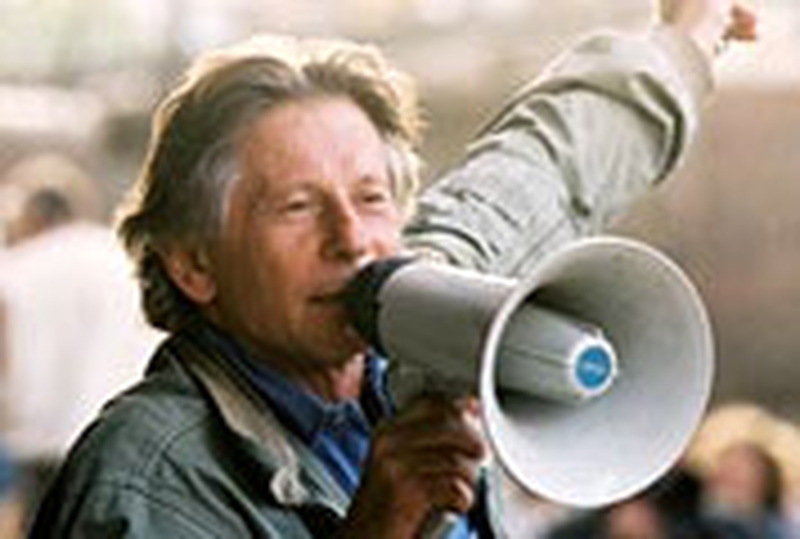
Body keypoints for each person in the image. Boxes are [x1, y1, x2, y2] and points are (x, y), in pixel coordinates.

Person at [29, 0, 756, 537]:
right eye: (296, 207)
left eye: (372, 196)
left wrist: (682, 42)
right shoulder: (144, 483)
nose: (353, 238)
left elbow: (550, 168)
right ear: (193, 263)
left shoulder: (429, 314)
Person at [0, 154, 163, 528]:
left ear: (33, 215)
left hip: (46, 456)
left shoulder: (17, 268)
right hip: (132, 448)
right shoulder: (126, 262)